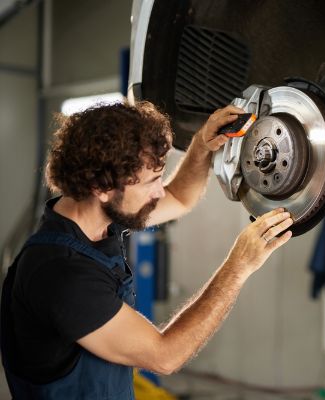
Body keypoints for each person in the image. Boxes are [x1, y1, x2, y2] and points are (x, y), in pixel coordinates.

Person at [0, 101, 293, 399]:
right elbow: (165, 355)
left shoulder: (99, 221)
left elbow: (179, 197)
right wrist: (238, 267)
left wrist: (201, 146)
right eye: (151, 181)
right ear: (101, 188)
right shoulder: (62, 274)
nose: (158, 191)